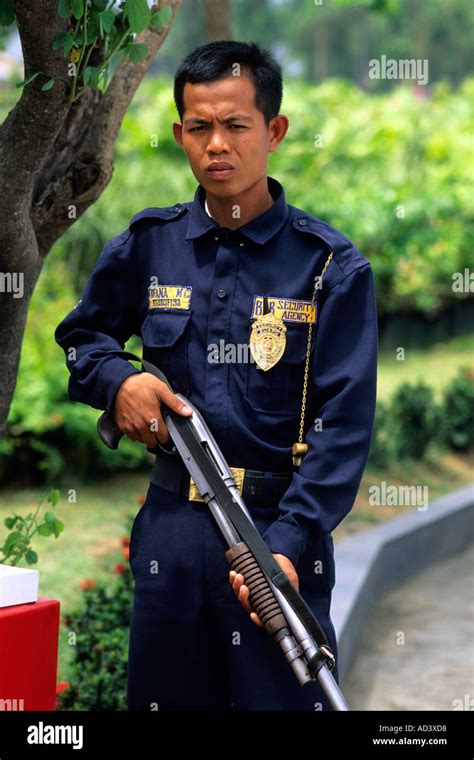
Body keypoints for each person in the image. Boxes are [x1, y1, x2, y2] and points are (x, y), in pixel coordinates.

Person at [55, 40, 378, 711]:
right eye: (200, 128)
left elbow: (343, 429)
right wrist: (118, 382)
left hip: (275, 534)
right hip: (170, 534)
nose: (217, 145)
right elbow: (81, 339)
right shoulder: (150, 245)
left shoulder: (328, 269)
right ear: (181, 135)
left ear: (274, 130)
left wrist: (288, 544)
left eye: (236, 125)